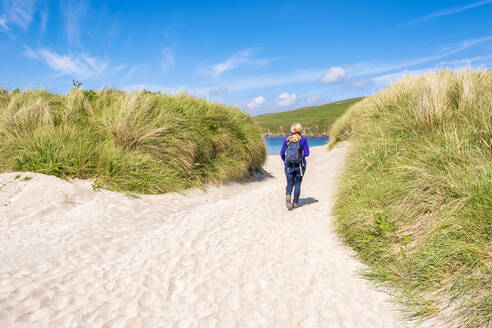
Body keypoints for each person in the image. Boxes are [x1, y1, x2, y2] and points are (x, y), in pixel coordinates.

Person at [280, 122, 309, 210]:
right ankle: (295, 202)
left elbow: (282, 153)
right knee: (297, 183)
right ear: (300, 129)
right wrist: (301, 157)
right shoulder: (303, 140)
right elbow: (307, 153)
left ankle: (288, 195)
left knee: (289, 183)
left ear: (292, 129)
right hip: (300, 165)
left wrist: (285, 161)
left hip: (288, 164)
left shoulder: (288, 139)